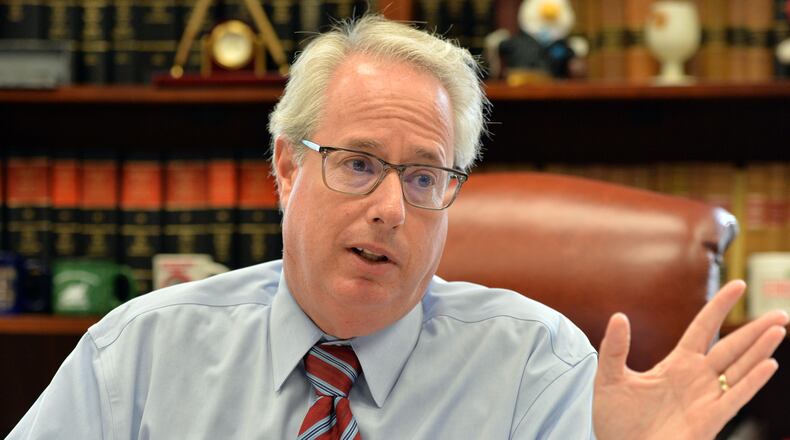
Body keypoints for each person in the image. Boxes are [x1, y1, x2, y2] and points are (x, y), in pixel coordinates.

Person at [9, 15, 788, 439]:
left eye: (424, 178)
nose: (390, 207)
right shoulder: (139, 354)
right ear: (286, 167)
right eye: (356, 163)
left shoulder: (535, 366)